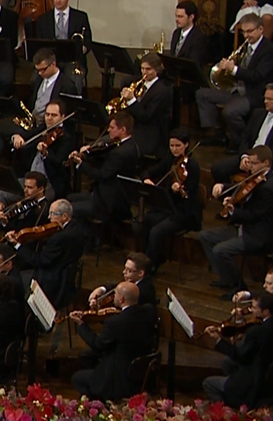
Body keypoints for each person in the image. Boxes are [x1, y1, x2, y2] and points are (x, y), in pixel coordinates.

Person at [201, 145, 273, 299]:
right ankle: (226, 278)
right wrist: (223, 187)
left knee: (220, 250)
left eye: (253, 163)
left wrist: (233, 210)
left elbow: (254, 215)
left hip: (258, 235)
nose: (249, 166)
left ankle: (238, 286)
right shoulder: (257, 177)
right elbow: (243, 187)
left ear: (266, 163)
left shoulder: (268, 187)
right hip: (245, 227)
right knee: (206, 237)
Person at [69, 282, 158, 401]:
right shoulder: (149, 311)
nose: (113, 297)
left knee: (77, 378)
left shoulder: (115, 323)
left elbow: (97, 344)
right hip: (139, 373)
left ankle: (100, 403)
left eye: (115, 294)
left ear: (121, 299)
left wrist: (81, 324)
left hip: (118, 378)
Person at [198, 13, 273, 148]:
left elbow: (257, 76)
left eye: (249, 31)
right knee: (202, 94)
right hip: (236, 90)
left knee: (230, 111)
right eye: (244, 31)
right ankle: (218, 135)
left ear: (260, 29)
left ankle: (242, 143)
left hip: (254, 94)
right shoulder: (245, 47)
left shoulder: (268, 50)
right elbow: (238, 73)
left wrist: (234, 69)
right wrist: (226, 68)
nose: (246, 35)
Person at [137, 130, 201, 273]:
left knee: (157, 231)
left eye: (178, 146)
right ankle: (151, 258)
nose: (174, 149)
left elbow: (189, 192)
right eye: (171, 145)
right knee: (143, 220)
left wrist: (179, 189)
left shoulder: (192, 166)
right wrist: (147, 179)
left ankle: (150, 267)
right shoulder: (170, 160)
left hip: (185, 213)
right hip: (169, 208)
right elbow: (148, 172)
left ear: (186, 145)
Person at [10, 199, 85, 310]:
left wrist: (18, 245)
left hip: (53, 283)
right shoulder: (77, 228)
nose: (49, 218)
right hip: (66, 276)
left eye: (53, 214)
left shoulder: (59, 238)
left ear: (64, 216)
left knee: (14, 283)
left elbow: (39, 261)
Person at [204, 293, 273, 408]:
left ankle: (223, 412)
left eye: (255, 308)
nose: (251, 310)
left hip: (252, 379)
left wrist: (219, 340)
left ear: (265, 312)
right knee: (227, 364)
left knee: (209, 383)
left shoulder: (258, 331)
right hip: (266, 377)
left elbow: (241, 356)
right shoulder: (264, 327)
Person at [69, 112, 140, 223]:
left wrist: (81, 164)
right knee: (68, 199)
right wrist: (87, 153)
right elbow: (102, 158)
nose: (108, 130)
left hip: (109, 203)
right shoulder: (128, 144)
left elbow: (102, 174)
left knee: (67, 209)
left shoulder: (120, 152)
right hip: (105, 195)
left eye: (112, 127)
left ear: (123, 130)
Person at [0, 99, 78, 199]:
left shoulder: (66, 138)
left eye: (53, 115)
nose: (49, 118)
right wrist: (17, 136)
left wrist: (46, 153)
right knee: (3, 190)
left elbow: (59, 162)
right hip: (30, 180)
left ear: (62, 117)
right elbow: (27, 136)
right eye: (47, 114)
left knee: (33, 199)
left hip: (49, 183)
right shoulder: (43, 129)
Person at [31, 0, 92, 86]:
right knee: (35, 79)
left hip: (72, 61)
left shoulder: (81, 17)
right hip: (49, 61)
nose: (58, 1)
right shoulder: (43, 19)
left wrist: (82, 49)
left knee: (75, 80)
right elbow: (39, 42)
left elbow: (88, 40)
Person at [211, 84, 273, 184]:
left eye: (270, 99)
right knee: (218, 168)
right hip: (248, 157)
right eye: (265, 98)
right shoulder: (258, 114)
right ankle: (230, 195)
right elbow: (245, 137)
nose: (265, 101)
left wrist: (259, 164)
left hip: (265, 163)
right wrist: (244, 156)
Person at [119, 53, 172, 159]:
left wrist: (132, 100)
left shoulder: (162, 91)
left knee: (121, 151)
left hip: (148, 134)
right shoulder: (138, 84)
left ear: (157, 70)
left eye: (148, 69)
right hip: (133, 127)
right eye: (142, 68)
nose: (144, 72)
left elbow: (146, 116)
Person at [169, 0, 207, 105]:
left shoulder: (198, 37)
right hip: (174, 76)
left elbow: (194, 63)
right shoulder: (176, 33)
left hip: (188, 81)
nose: (177, 20)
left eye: (181, 17)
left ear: (191, 17)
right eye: (176, 16)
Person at [87, 252, 158, 308]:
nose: (124, 272)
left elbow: (122, 302)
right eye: (125, 268)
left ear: (140, 273)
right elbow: (117, 286)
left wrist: (100, 304)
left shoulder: (144, 290)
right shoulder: (132, 280)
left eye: (129, 270)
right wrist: (102, 289)